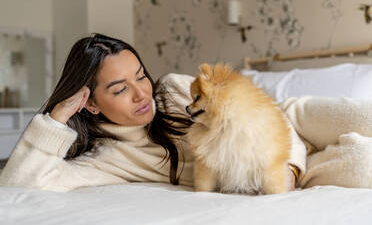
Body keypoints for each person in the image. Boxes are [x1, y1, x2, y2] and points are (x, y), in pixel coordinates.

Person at [0, 33, 301, 192]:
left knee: (313, 113)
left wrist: (290, 168)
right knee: (347, 162)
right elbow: (20, 186)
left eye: (141, 76)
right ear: (90, 103)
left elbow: (272, 118)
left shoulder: (173, 91)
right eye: (120, 89)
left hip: (291, 128)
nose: (142, 93)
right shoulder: (106, 160)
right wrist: (57, 118)